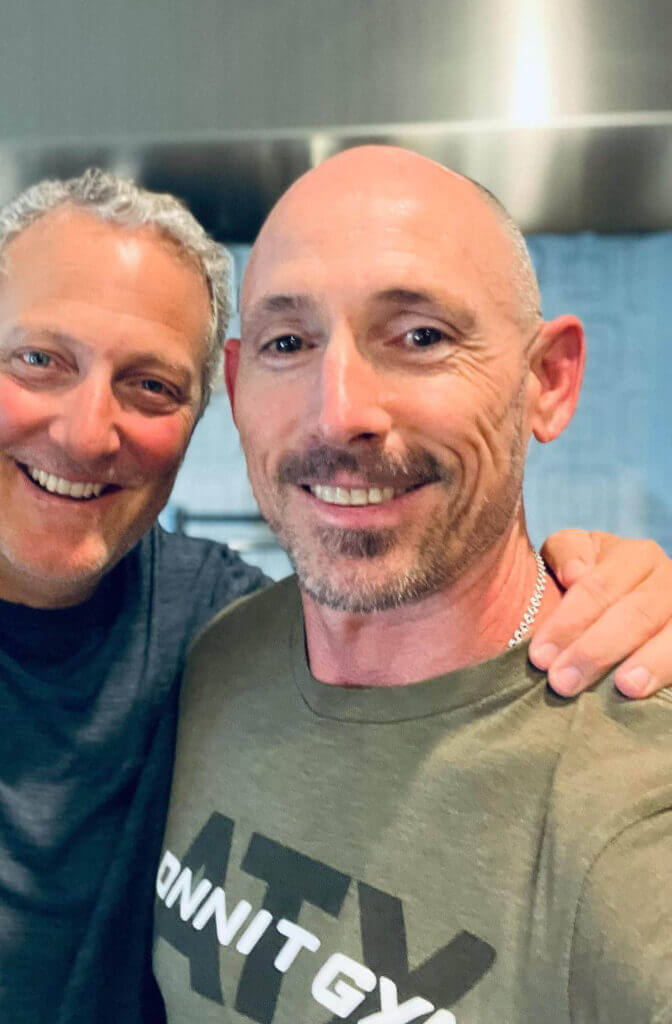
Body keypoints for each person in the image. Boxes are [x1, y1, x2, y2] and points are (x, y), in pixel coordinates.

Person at [0, 44, 669, 1024]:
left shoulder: (211, 626)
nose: (89, 432)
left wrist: (627, 588)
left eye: (148, 385)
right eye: (41, 359)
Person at [153, 147, 672, 1023]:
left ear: (548, 381)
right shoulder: (211, 654)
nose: (340, 410)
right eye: (289, 342)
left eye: (421, 337)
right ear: (237, 388)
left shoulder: (635, 809)